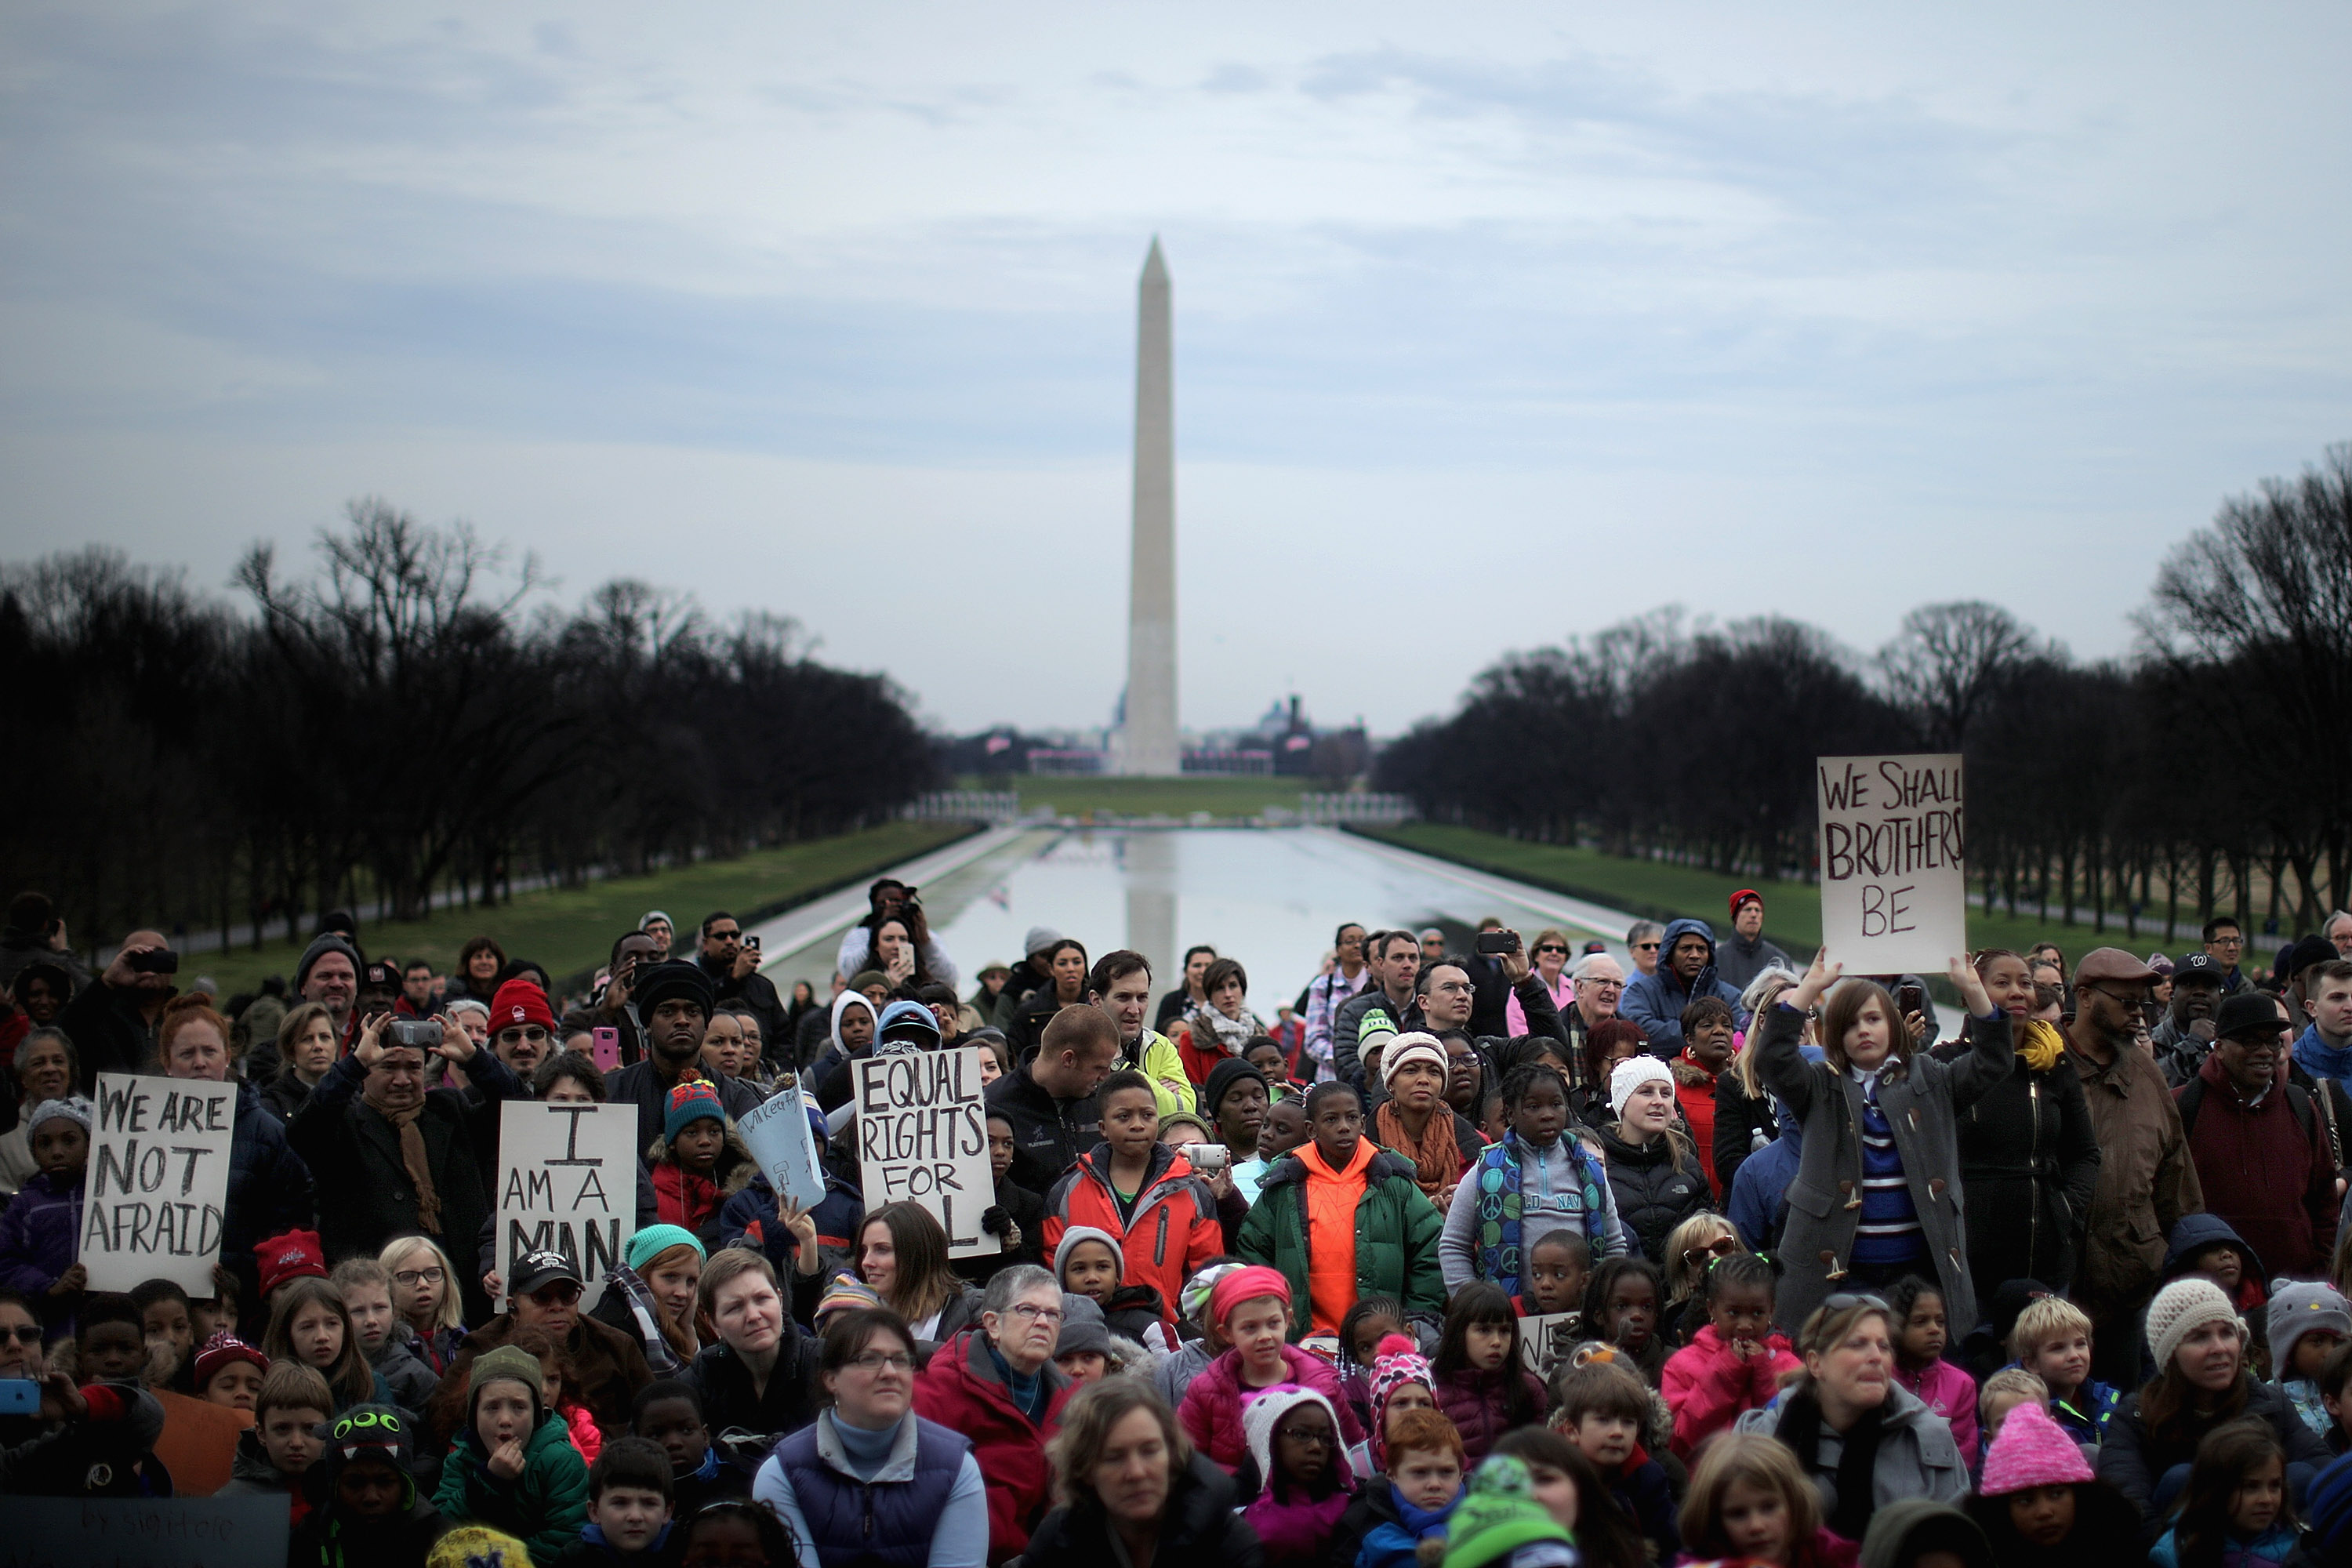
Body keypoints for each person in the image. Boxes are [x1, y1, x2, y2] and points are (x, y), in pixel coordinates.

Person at [1754, 951, 2012, 1336]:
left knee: (1917, 1368)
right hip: (1841, 1270)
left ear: (1892, 1025)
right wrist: (1810, 987)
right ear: (1835, 1036)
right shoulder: (1819, 1084)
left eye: (1873, 1019)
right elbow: (1772, 1060)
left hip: (1918, 1270)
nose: (1863, 1030)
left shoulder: (1931, 1078)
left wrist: (1972, 986)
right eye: (1850, 1024)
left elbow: (1993, 1061)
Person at [290, 1004, 521, 1327]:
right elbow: (303, 1130)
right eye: (389, 1067)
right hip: (379, 1312)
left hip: (463, 1304)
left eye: (413, 1067)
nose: (402, 1079)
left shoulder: (450, 1110)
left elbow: (520, 1110)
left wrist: (475, 1059)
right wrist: (352, 1065)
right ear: (368, 1070)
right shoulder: (345, 1124)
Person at [753, 1306, 991, 1567]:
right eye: (869, 1359)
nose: (890, 1372)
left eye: (901, 1360)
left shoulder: (956, 1466)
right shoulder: (782, 1472)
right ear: (831, 1379)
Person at [2066, 947, 2203, 1387]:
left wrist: (2187, 1267)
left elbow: (2175, 1177)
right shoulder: (2042, 1063)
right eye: (2125, 1003)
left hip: (2129, 1288)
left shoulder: (2147, 1075)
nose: (2139, 1015)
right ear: (2084, 997)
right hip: (2054, 1286)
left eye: (2144, 1004)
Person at [2095, 1276, 2332, 1529]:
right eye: (2200, 1337)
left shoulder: (2270, 1403)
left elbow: (2324, 1470)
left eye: (2227, 1333)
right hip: (2187, 1551)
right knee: (2180, 1481)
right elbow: (2129, 1508)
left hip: (2275, 1547)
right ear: (2170, 1354)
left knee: (2301, 1476)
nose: (2219, 1348)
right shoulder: (2137, 1417)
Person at [1931, 949, 2100, 1299]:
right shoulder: (1945, 1066)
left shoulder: (2056, 1067)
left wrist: (2064, 1212)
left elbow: (2084, 1154)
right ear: (1971, 993)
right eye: (2002, 983)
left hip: (2043, 1263)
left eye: (2025, 983)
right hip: (1967, 1266)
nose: (2017, 992)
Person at [1733, 1294, 1970, 1538]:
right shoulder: (1759, 1437)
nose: (1876, 1357)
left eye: (1884, 1346)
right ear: (1816, 1363)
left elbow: (1952, 1546)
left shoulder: (1928, 1438)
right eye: (1858, 1344)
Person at [1237, 1081, 1444, 1337]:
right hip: (1303, 1340)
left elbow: (1431, 1249)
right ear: (1311, 1130)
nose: (1344, 1127)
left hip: (1380, 1340)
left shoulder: (1392, 1183)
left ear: (1363, 1124)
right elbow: (1253, 1250)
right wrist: (1274, 1315)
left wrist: (1415, 1317)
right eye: (1331, 1119)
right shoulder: (1285, 1186)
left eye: (1352, 1117)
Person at [151, 993, 317, 1308]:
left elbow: (291, 1221)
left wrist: (243, 1278)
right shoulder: (139, 1132)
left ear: (227, 1057)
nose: (199, 1062)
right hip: (163, 1303)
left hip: (243, 1303)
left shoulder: (267, 1133)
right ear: (166, 1062)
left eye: (209, 1051)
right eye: (187, 1053)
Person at [910, 1262, 1077, 1563]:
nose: (1043, 1322)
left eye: (1053, 1314)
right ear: (993, 1324)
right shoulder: (937, 1390)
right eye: (1028, 1310)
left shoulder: (1075, 1400)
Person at [2177, 989, 2341, 1279]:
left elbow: (2324, 1195)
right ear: (2219, 1047)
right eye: (2251, 1041)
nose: (2265, 1051)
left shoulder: (2300, 1105)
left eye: (2272, 1041)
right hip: (2212, 1289)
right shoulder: (2185, 1105)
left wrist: (2318, 1264)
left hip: (2293, 1285)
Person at [1041, 1069, 1221, 1327]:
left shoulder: (1190, 1189)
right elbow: (1053, 1270)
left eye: (1147, 1115)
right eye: (1123, 1117)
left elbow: (1206, 1274)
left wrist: (1184, 1330)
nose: (1137, 1125)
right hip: (1086, 1334)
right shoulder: (1068, 1190)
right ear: (1103, 1128)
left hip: (1164, 1334)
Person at [1022, 1378, 1261, 1568]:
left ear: (1172, 1455)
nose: (1136, 1473)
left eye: (1149, 1451)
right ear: (1084, 1470)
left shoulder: (1225, 1540)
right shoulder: (1057, 1542)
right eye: (1113, 1457)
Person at [1440, 1063, 1621, 1299]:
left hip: (1581, 1312)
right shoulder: (1486, 1171)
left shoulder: (1589, 1170)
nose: (1547, 1115)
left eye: (1556, 1104)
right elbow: (1453, 1245)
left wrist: (1604, 1301)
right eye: (1533, 1107)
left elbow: (1614, 1244)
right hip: (1508, 1319)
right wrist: (1474, 1305)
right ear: (1510, 1114)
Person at [438, 1250, 656, 1439]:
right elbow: (441, 1416)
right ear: (512, 1306)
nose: (557, 1306)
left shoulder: (616, 1345)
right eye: (542, 1297)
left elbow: (654, 1413)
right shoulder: (482, 1347)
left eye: (567, 1295)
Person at [1175, 1265, 1362, 1472]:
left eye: (1273, 1323)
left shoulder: (1322, 1384)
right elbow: (1184, 1460)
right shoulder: (1206, 1391)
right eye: (1250, 1327)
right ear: (1227, 1333)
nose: (1264, 1336)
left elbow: (1355, 1446)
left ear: (1287, 1320)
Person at [434, 1345, 592, 1565]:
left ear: (536, 1414)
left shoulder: (560, 1459)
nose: (505, 1419)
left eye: (519, 1407)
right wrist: (486, 1481)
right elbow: (441, 1530)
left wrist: (500, 1561)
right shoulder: (460, 1460)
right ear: (474, 1416)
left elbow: (567, 1539)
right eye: (492, 1408)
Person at [602, 962, 762, 1147]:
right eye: (667, 1011)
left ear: (706, 1025)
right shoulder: (614, 1092)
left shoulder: (737, 1099)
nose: (682, 1021)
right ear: (648, 1023)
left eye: (692, 1011)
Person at [1663, 1250, 1801, 1458]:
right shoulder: (1682, 1365)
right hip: (1707, 1480)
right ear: (1712, 1309)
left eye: (1757, 1313)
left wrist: (1764, 1370)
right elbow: (1680, 1438)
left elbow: (1793, 1432)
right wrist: (1725, 1371)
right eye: (1734, 1313)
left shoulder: (1787, 1364)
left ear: (1771, 1310)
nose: (1745, 1325)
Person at [683, 1247, 818, 1446]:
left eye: (762, 1299)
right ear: (713, 1323)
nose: (754, 1316)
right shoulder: (702, 1375)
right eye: (735, 1307)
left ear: (780, 1300)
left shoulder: (825, 1362)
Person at [289, 1403, 453, 1566]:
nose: (371, 1497)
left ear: (405, 1482)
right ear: (335, 1485)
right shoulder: (312, 1535)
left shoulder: (437, 1539)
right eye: (355, 1483)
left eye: (385, 1482)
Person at [1592, 1056, 1712, 1266]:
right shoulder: (1597, 1164)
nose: (1659, 1101)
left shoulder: (1687, 1164)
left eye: (1666, 1093)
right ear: (1622, 1101)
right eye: (1646, 1091)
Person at [987, 1004, 1118, 1193]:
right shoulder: (994, 1105)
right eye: (1099, 1068)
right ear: (1068, 1059)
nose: (1105, 1076)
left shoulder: (1104, 1101)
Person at [1674, 1432, 1855, 1568]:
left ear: (1794, 1503)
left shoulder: (1831, 1556)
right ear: (1714, 1519)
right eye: (1738, 1514)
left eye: (1769, 1507)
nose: (1757, 1526)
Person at [2149, 1419, 2301, 1568]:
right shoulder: (2175, 1552)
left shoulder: (2299, 1548)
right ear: (2217, 1490)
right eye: (2251, 1487)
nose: (2267, 1499)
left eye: (2275, 1486)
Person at [0, 1094, 91, 1341]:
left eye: (69, 1141)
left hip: (104, 1333)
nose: (57, 1152)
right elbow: (5, 1262)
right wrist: (48, 1287)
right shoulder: (24, 1205)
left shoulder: (111, 1197)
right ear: (34, 1152)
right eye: (45, 1144)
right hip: (49, 1334)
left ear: (90, 1145)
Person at [1429, 1283, 1546, 1465]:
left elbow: (1544, 1458)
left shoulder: (1528, 1388)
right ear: (1459, 1331)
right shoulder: (1431, 1391)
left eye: (1505, 1331)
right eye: (1484, 1330)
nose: (1497, 1342)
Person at [855, 1201, 985, 1347]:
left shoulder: (976, 1309)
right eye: (864, 1250)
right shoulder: (854, 1315)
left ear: (918, 1254)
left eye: (882, 1250)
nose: (866, 1262)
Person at [1089, 950, 1196, 1116]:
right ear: (1096, 1001)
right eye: (1123, 997)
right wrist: (1157, 1091)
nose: (1134, 1010)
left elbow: (1184, 1112)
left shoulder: (1160, 1045)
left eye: (1142, 998)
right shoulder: (1078, 1048)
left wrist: (1121, 1065)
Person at [219, 1361, 333, 1515]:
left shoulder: (343, 1496)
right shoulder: (231, 1502)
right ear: (261, 1433)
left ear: (327, 1431)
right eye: (283, 1429)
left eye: (310, 1429)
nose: (296, 1443)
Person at [1619, 918, 1744, 1057]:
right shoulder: (1640, 991)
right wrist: (1706, 1036)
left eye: (1701, 949)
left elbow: (1741, 1034)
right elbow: (1640, 1031)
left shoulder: (1731, 996)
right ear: (1670, 953)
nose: (1694, 955)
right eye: (1686, 948)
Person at [2007, 1295, 2122, 1448]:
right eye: (2058, 1348)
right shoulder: (2016, 1413)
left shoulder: (2104, 1400)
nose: (2074, 1356)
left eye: (2081, 1344)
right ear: (2031, 1362)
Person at [1886, 1274, 1978, 1460]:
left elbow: (1963, 1453)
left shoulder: (1961, 1384)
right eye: (1920, 1321)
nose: (1935, 1329)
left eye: (1940, 1321)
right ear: (1895, 1328)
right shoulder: (1881, 1378)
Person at [553, 1436, 676, 1568]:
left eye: (649, 1503)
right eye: (620, 1503)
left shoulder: (684, 1554)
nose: (635, 1516)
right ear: (594, 1511)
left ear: (667, 1512)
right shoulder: (575, 1560)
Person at [1333, 931, 1423, 1091]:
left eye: (1413, 958)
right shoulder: (1354, 1010)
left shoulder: (1429, 1008)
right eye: (1398, 958)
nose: (1407, 964)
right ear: (1381, 964)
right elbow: (1346, 1062)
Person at [836, 878, 960, 992]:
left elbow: (949, 978)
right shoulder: (860, 934)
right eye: (884, 903)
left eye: (898, 902)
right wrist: (879, 930)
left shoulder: (925, 936)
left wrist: (926, 942)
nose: (897, 945)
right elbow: (849, 972)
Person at [1170, 956, 1267, 1085]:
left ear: (1242, 991)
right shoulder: (1193, 1038)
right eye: (1220, 988)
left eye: (1233, 986)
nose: (1228, 994)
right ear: (1209, 995)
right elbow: (1191, 1088)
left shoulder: (1260, 1037)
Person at [383, 1235, 469, 1375]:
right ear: (386, 1285)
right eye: (408, 1276)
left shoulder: (461, 1339)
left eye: (433, 1273)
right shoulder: (382, 1348)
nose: (423, 1284)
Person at [1302, 924, 1372, 1085]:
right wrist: (1343, 1059)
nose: (1357, 945)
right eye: (1350, 941)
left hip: (1371, 1080)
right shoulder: (1322, 986)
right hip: (1331, 1079)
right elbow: (1314, 1039)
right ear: (1338, 950)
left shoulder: (1377, 984)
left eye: (1362, 941)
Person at [2153, 951, 2230, 1086]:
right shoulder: (2150, 1043)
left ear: (2220, 997)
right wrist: (2193, 1043)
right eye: (2189, 984)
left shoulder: (2233, 1044)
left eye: (2209, 986)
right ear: (2172, 995)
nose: (2200, 992)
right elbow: (2152, 1086)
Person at [261, 1001, 342, 1123]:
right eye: (307, 1039)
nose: (318, 1046)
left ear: (335, 1045)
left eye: (325, 1037)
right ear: (290, 1050)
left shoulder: (351, 1099)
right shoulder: (272, 1104)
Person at [1715, 891, 1795, 993]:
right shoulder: (1717, 959)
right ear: (1735, 916)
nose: (1753, 915)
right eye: (1747, 909)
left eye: (1758, 910)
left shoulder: (1780, 960)